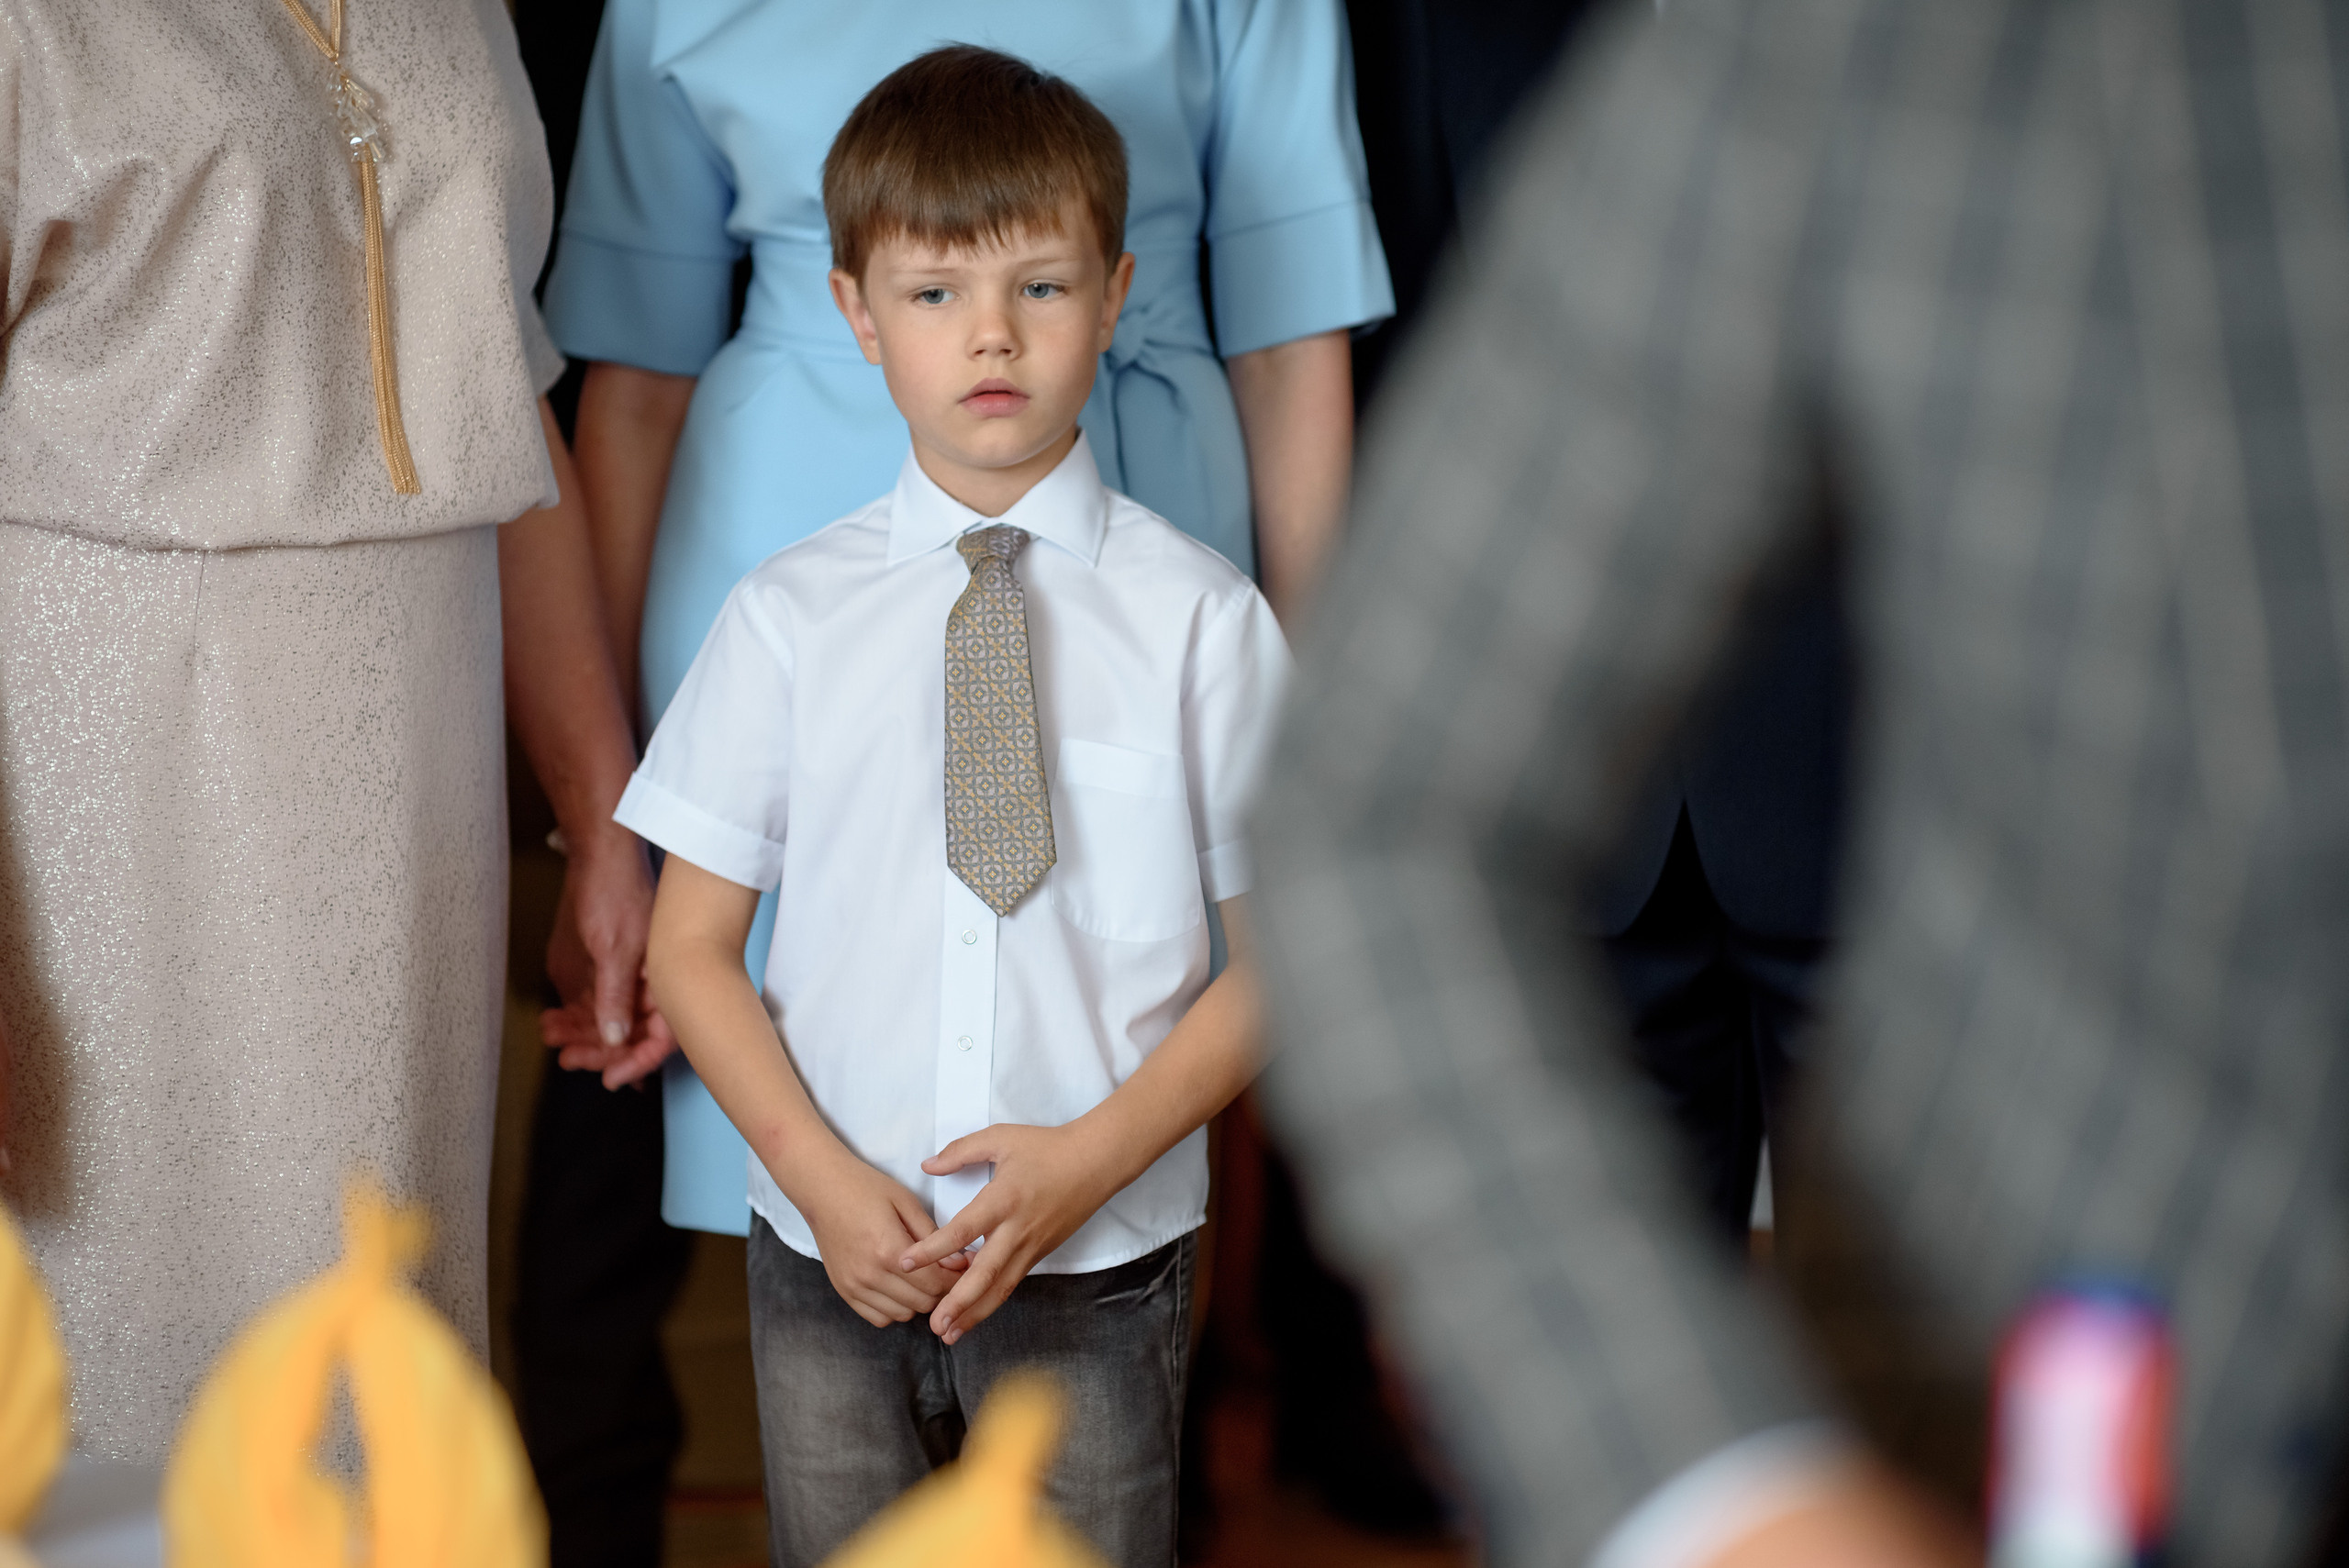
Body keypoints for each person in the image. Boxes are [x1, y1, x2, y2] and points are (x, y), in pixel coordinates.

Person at [1252, 1, 2349, 1566]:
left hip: (1851, 812)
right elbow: (1387, 767)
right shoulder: (1836, 51)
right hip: (1622, 857)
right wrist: (1712, 1496)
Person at [537, 0, 1387, 1241]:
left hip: (1133, 516)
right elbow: (635, 385)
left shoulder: (1202, 616)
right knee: (789, 1091)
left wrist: (1328, 744)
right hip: (770, 538)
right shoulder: (773, 619)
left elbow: (1288, 342)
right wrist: (597, 816)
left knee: (1122, 1105)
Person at [624, 50, 1286, 1566]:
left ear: (1116, 295)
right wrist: (819, 1180)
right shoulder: (790, 614)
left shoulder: (1203, 618)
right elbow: (690, 951)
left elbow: (1286, 960)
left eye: (1041, 289)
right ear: (857, 314)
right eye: (933, 295)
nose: (991, 334)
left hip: (1101, 1256)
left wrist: (1091, 1157)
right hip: (829, 1256)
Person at [0, 0, 652, 1460]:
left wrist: (603, 814)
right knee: (119, 1353)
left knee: (382, 1330)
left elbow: (504, 396)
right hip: (108, 759)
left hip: (411, 775)